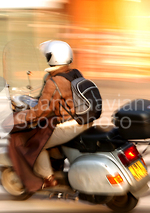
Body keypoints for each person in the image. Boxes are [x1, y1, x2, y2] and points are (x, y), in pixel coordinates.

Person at [8, 40, 94, 191]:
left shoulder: (54, 82)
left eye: (47, 56)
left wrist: (19, 118)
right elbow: (57, 100)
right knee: (46, 131)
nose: (45, 60)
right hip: (83, 119)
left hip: (70, 124)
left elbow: (40, 112)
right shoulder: (73, 73)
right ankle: (56, 165)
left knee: (34, 142)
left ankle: (49, 179)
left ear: (53, 58)